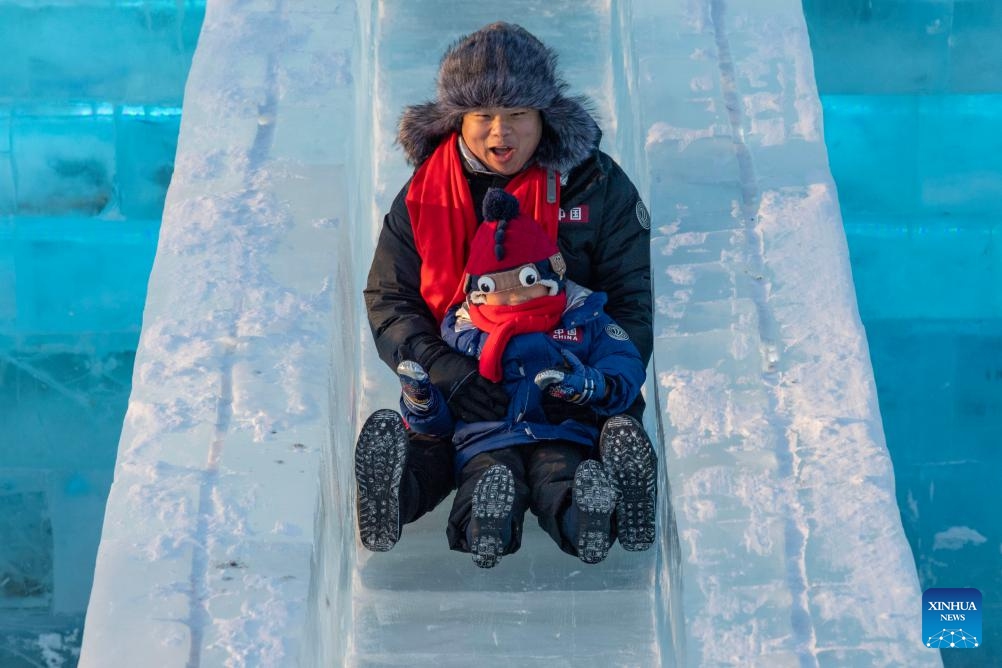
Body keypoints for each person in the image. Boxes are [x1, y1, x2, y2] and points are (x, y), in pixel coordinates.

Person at [357, 21, 654, 554]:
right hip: (465, 370)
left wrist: (600, 384)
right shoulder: (426, 194)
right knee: (446, 448)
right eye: (484, 117)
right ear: (458, 120)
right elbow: (391, 299)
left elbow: (630, 300)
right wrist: (446, 369)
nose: (501, 133)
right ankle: (393, 496)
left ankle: (609, 496)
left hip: (573, 375)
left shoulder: (597, 184)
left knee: (569, 462)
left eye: (518, 115)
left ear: (545, 117)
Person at [385, 189, 654, 567]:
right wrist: (423, 401)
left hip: (562, 432)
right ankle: (485, 529)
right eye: (495, 288)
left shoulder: (584, 319)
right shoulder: (461, 336)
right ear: (476, 292)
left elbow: (623, 360)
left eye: (526, 280)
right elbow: (444, 416)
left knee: (560, 477)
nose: (512, 298)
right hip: (486, 435)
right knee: (489, 478)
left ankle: (588, 522)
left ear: (551, 275)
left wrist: (590, 385)